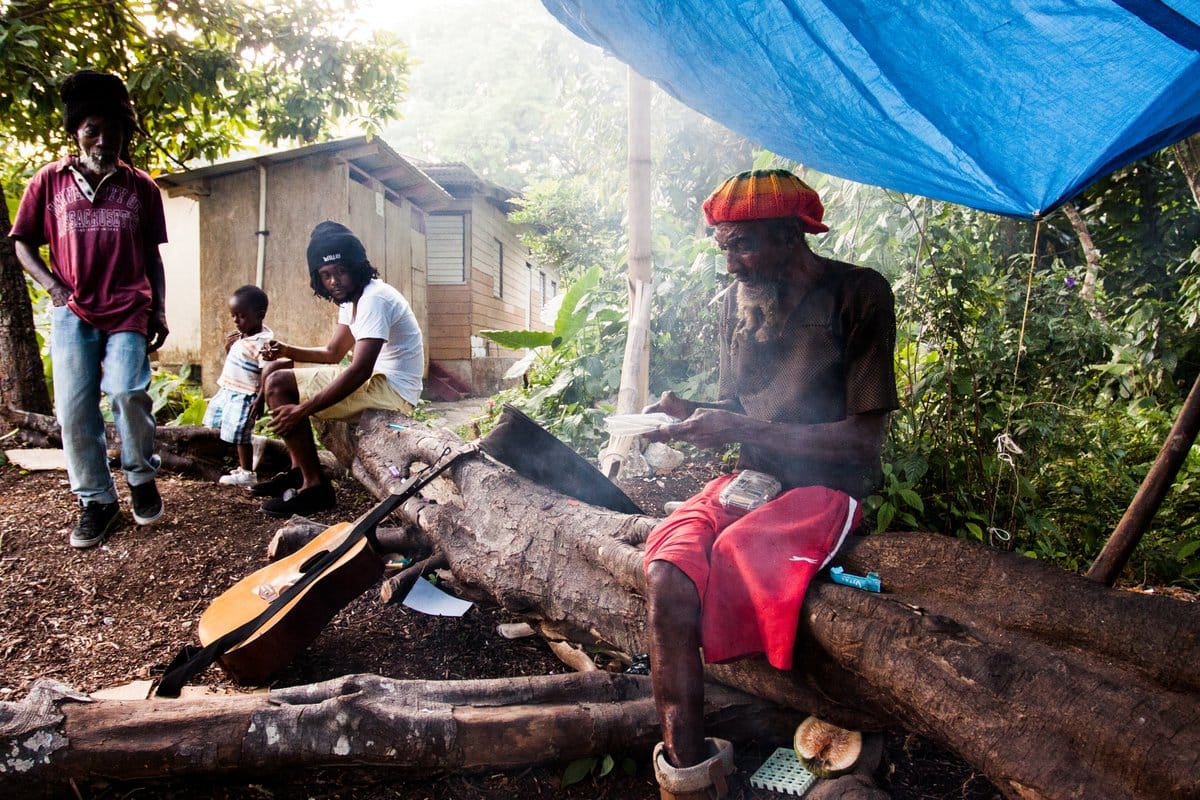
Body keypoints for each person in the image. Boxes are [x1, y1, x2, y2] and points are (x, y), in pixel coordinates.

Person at [639, 169, 898, 799]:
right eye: (723, 247)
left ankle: (812, 720)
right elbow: (737, 405)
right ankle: (689, 774)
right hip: (753, 480)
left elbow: (864, 440)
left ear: (791, 237)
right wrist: (689, 414)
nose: (731, 266)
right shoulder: (737, 304)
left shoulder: (857, 294)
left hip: (830, 485)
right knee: (666, 570)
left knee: (733, 557)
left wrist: (740, 423)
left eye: (743, 247)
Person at [9, 70, 169, 550]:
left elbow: (153, 257)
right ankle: (97, 501)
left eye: (112, 131)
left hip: (128, 308)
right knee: (74, 409)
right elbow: (21, 244)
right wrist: (53, 286)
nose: (103, 141)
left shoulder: (141, 187)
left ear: (125, 132)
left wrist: (159, 310)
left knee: (126, 392)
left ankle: (140, 476)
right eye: (92, 131)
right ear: (76, 132)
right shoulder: (49, 182)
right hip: (73, 309)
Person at [252, 221, 424, 518]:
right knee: (276, 369)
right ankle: (298, 471)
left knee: (280, 383)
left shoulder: (374, 299)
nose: (335, 281)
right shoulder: (350, 300)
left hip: (394, 391)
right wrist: (288, 350)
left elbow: (359, 370)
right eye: (326, 275)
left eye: (341, 271)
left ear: (358, 267)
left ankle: (315, 488)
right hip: (378, 382)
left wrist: (303, 409)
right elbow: (333, 353)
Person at [203, 285, 273, 488]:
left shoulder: (264, 343)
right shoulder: (243, 336)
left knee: (240, 435)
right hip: (230, 390)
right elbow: (239, 362)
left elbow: (266, 373)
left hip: (246, 394)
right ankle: (244, 463)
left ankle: (247, 473)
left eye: (241, 316)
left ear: (259, 315)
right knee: (232, 429)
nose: (235, 321)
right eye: (233, 316)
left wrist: (261, 399)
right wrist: (229, 348)